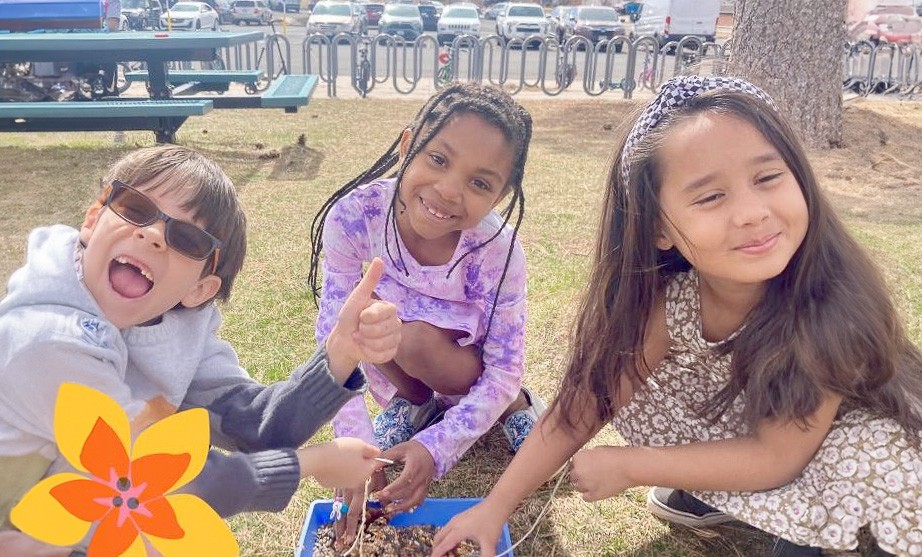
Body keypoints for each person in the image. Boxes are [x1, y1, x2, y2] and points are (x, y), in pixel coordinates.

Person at [431, 75, 922, 557]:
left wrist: (634, 465)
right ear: (658, 228)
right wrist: (494, 508)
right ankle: (708, 490)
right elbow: (584, 403)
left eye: (767, 177)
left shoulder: (833, 308)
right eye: (711, 196)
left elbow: (777, 456)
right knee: (647, 379)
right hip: (766, 425)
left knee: (873, 463)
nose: (751, 212)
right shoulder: (674, 301)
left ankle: (823, 533)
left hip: (861, 451)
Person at [0, 145, 401, 555]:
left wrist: (339, 353)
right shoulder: (48, 342)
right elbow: (154, 485)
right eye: (136, 209)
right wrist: (310, 464)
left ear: (199, 290)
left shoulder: (171, 324)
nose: (152, 235)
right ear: (91, 219)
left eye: (187, 239)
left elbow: (255, 423)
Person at [307, 82, 546, 548]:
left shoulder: (497, 253)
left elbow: (502, 368)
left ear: (500, 196)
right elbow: (334, 340)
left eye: (480, 183)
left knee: (417, 339)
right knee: (370, 320)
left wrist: (434, 451)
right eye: (437, 159)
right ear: (406, 147)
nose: (448, 191)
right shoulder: (355, 217)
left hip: (461, 360)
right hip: (393, 354)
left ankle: (516, 407)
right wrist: (352, 444)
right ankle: (414, 403)